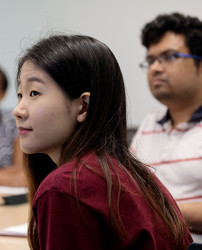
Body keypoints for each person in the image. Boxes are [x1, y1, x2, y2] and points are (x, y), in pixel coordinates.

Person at [13, 34, 192, 250]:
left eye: (34, 93)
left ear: (84, 106)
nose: (18, 110)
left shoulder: (65, 187)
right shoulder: (130, 173)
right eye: (20, 95)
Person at [131, 12, 202, 243]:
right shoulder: (149, 124)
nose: (155, 68)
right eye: (151, 60)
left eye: (169, 57)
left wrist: (155, 210)